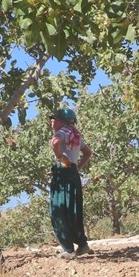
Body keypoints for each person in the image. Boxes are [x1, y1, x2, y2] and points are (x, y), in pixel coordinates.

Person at [49, 107, 92, 259]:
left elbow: (54, 142)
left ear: (61, 121)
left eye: (54, 118)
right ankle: (83, 244)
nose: (51, 121)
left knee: (58, 210)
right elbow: (88, 153)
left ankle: (68, 249)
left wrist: (60, 157)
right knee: (74, 209)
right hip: (73, 172)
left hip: (63, 172)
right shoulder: (75, 135)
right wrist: (77, 167)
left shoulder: (62, 132)